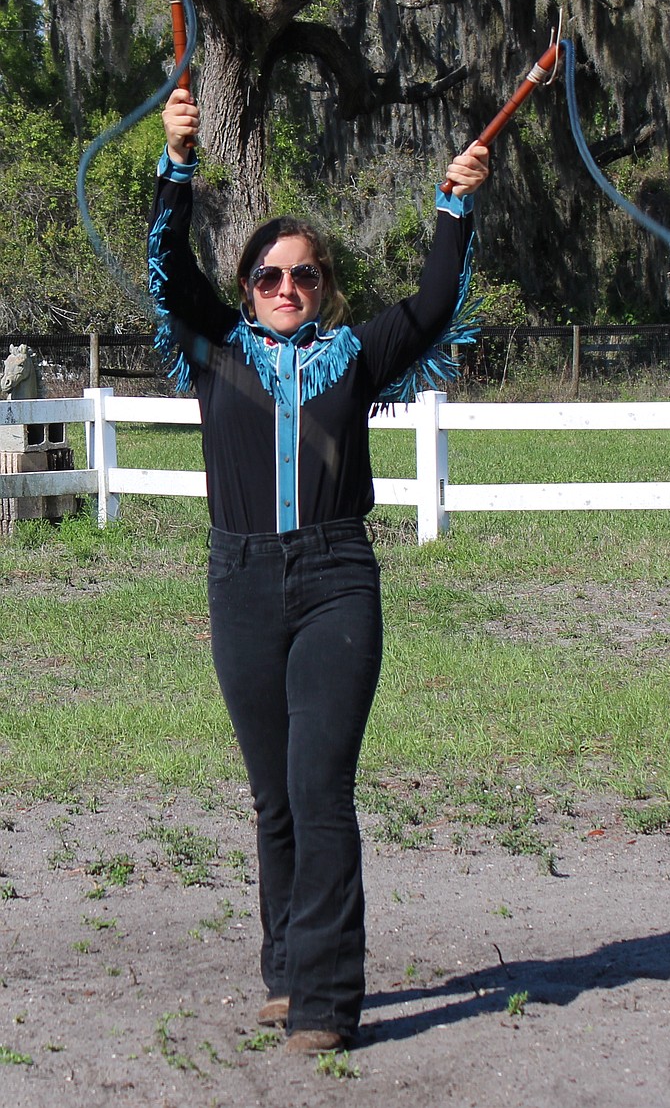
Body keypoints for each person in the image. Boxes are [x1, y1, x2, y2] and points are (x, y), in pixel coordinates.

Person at [149, 86, 490, 1055]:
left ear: (325, 283)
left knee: (319, 786)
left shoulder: (357, 356)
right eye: (266, 274)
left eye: (301, 274)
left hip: (337, 578)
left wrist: (454, 205)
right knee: (273, 793)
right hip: (242, 579)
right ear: (247, 283)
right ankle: (288, 970)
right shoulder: (214, 349)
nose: (284, 287)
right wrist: (176, 166)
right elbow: (167, 271)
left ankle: (328, 1003)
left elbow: (432, 305)